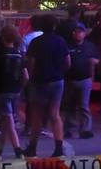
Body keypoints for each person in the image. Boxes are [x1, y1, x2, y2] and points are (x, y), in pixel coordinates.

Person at [24, 15, 70, 159]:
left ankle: (32, 148)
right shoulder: (61, 41)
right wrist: (59, 72)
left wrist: (30, 76)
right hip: (57, 80)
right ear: (55, 26)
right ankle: (58, 147)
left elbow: (30, 62)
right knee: (55, 114)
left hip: (39, 81)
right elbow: (68, 62)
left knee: (37, 116)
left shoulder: (36, 42)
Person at [0, 26, 27, 159]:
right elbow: (26, 76)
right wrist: (20, 88)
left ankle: (18, 150)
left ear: (2, 37)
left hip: (3, 91)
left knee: (9, 121)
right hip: (15, 91)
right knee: (6, 122)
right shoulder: (19, 54)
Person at [63, 22, 97, 140]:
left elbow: (97, 59)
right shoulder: (67, 45)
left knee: (84, 105)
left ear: (84, 33)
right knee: (69, 106)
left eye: (79, 31)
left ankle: (85, 129)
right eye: (74, 31)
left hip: (85, 79)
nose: (76, 33)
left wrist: (93, 62)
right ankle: (69, 129)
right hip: (69, 79)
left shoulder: (90, 46)